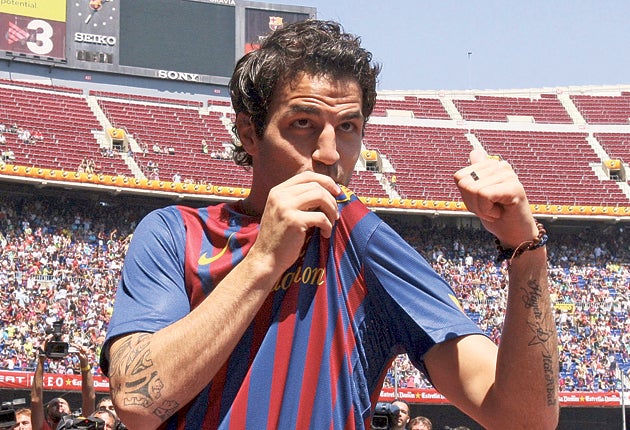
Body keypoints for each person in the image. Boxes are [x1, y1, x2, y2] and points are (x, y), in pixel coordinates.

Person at [101, 19, 558, 429]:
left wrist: (524, 248)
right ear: (248, 133)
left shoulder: (365, 241)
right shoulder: (172, 233)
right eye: (303, 123)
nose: (329, 152)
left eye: (348, 127)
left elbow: (524, 419)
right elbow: (138, 402)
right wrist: (262, 261)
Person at [31, 340, 96, 430]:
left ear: (70, 412)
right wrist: (41, 360)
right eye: (54, 404)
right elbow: (35, 399)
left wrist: (84, 363)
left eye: (63, 403)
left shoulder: (80, 427)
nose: (59, 405)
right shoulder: (42, 428)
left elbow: (89, 398)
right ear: (47, 415)